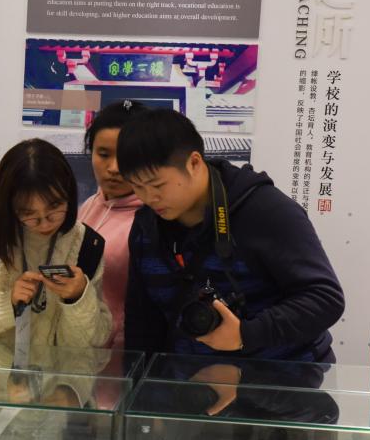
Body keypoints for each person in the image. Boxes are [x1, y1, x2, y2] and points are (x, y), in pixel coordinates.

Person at [119, 109, 344, 362]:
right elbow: (142, 321)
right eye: (137, 187)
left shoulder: (265, 211)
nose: (149, 198)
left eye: (157, 185)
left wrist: (246, 334)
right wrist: (138, 380)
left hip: (285, 378)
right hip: (191, 381)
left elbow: (325, 299)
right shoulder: (146, 226)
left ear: (194, 163)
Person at [0, 138, 112, 348]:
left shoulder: (87, 244)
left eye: (55, 207)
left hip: (56, 369)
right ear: (9, 205)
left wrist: (78, 298)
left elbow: (96, 341)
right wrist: (7, 304)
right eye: (28, 213)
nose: (44, 223)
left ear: (70, 194)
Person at [77, 100, 148, 348]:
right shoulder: (89, 205)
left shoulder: (154, 221)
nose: (114, 168)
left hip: (124, 352)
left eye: (127, 157)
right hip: (75, 347)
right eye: (103, 154)